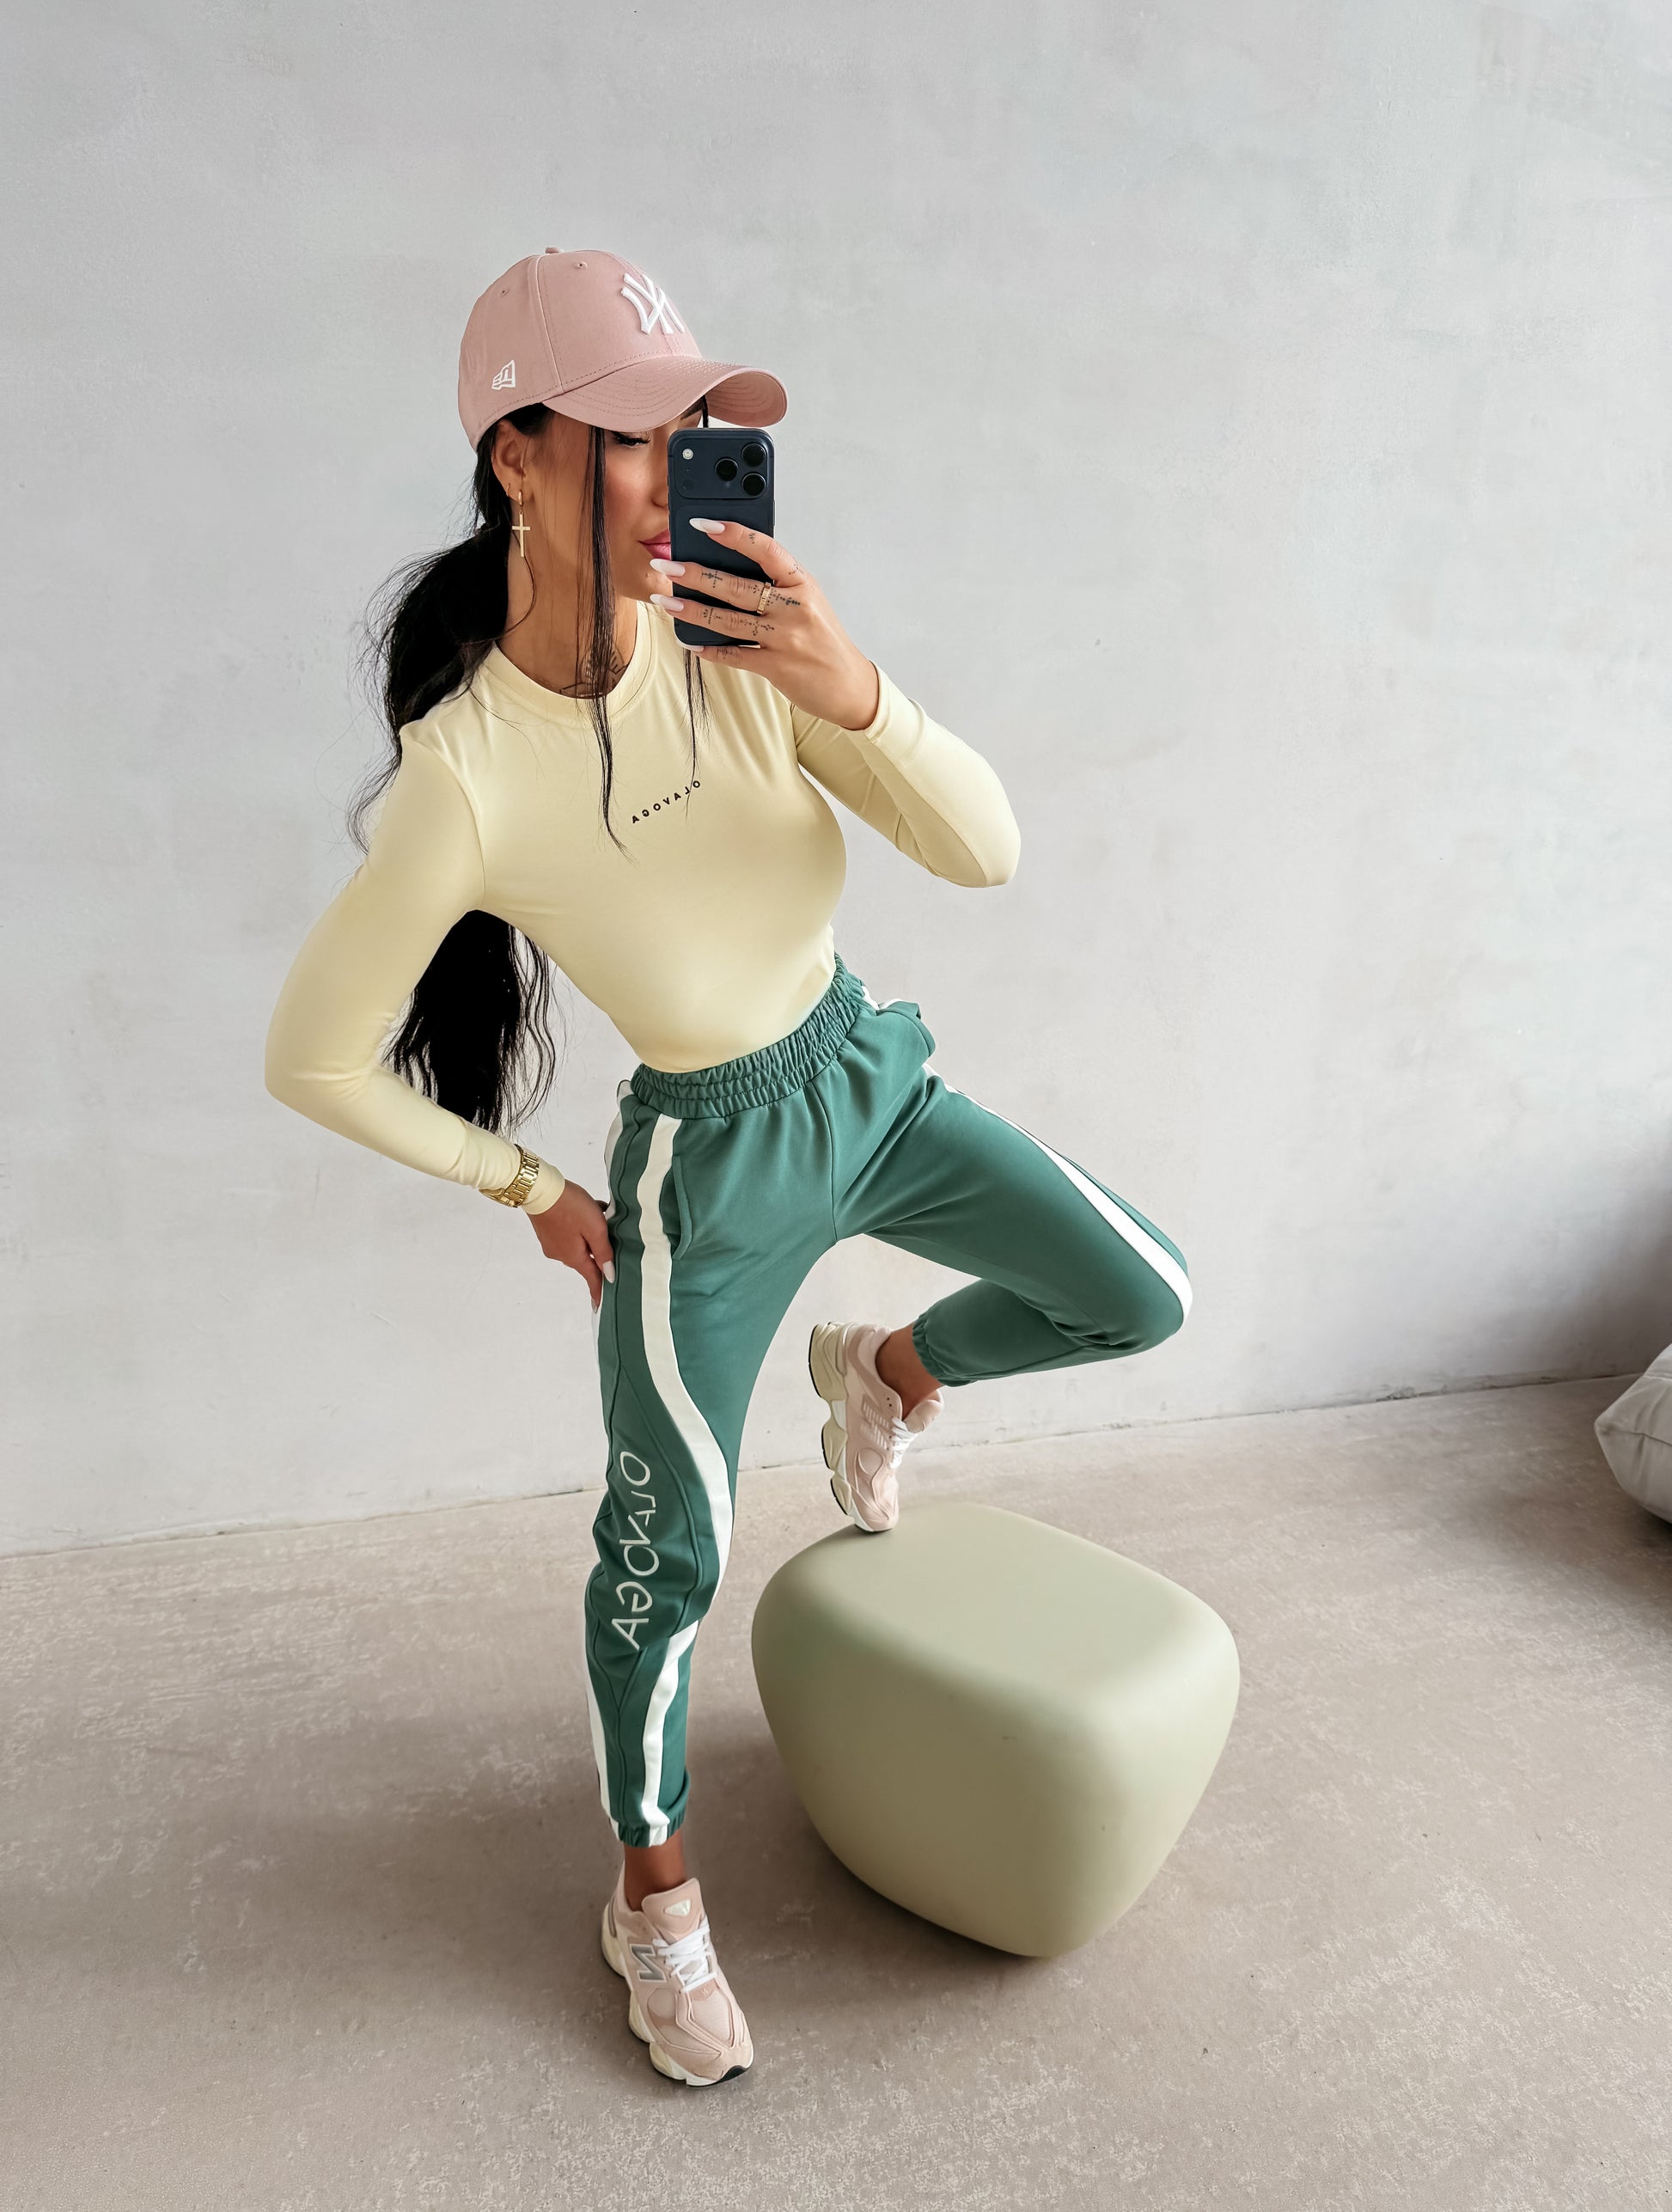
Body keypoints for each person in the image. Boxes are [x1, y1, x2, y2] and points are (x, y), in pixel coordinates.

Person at [264, 246, 1193, 2088]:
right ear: (516, 454)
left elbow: (986, 851)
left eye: (692, 426)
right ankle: (654, 1892)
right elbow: (311, 1057)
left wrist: (852, 687)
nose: (673, 467)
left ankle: (888, 1370)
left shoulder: (741, 646)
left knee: (1138, 1292)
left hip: (867, 1076)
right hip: (709, 1172)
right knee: (661, 1553)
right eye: (630, 432)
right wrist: (532, 1190)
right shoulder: (467, 773)